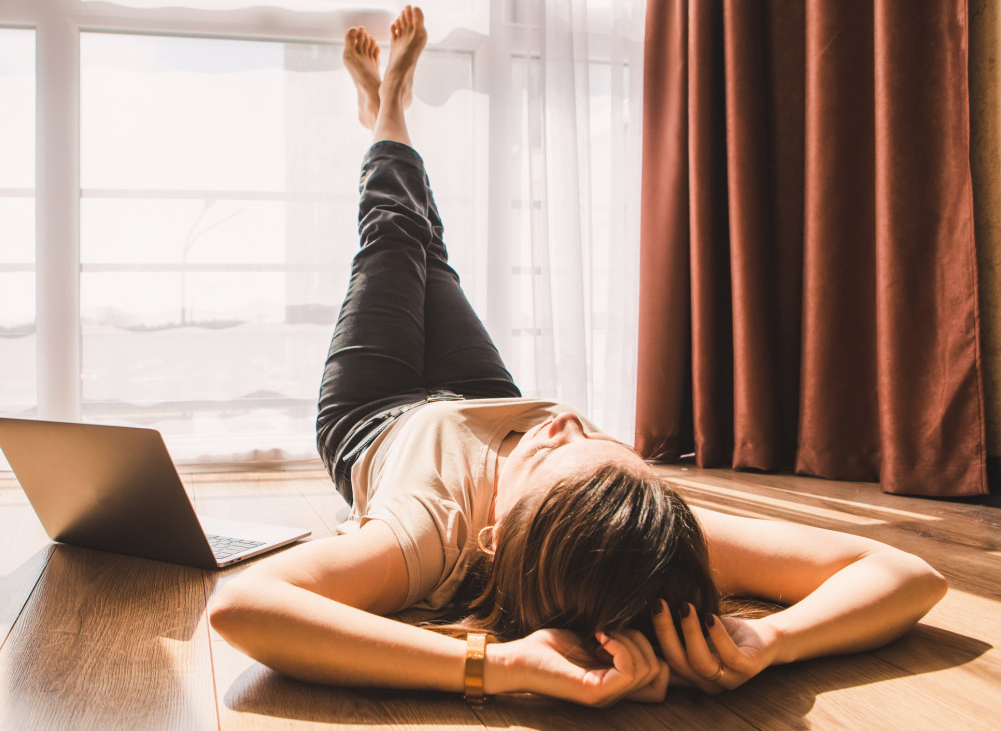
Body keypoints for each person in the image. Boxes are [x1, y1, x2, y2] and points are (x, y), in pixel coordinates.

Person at [209, 6, 948, 707]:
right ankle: (388, 115)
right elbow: (907, 573)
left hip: (374, 415)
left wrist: (492, 667)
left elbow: (244, 606)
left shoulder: (429, 531)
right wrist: (774, 638)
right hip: (481, 393)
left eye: (555, 450)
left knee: (396, 235)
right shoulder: (640, 530)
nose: (564, 420)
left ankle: (389, 107)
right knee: (432, 255)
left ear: (497, 537)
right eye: (604, 441)